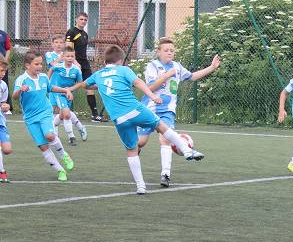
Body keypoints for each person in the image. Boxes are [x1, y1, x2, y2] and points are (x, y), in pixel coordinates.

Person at [69, 45, 203, 195]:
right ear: (120, 60)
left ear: (106, 61)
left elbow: (84, 85)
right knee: (161, 126)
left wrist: (70, 89)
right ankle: (187, 150)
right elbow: (138, 83)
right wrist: (152, 96)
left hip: (119, 119)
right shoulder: (124, 70)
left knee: (132, 150)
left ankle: (140, 186)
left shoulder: (98, 75)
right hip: (135, 110)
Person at [137, 37, 220, 187]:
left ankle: (165, 175)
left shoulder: (177, 66)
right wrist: (166, 75)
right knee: (141, 142)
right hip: (150, 108)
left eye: (172, 50)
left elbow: (193, 76)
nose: (169, 52)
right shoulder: (152, 66)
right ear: (158, 52)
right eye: (166, 50)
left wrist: (212, 67)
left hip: (167, 110)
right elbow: (150, 88)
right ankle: (134, 153)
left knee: (165, 139)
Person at [11, 51, 75, 182]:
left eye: (41, 64)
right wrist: (20, 90)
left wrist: (65, 90)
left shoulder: (44, 77)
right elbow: (14, 97)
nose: (40, 66)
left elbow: (51, 88)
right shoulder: (22, 80)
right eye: (36, 64)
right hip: (30, 118)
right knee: (43, 146)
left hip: (45, 112)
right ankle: (60, 170)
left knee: (50, 136)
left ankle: (64, 156)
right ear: (27, 65)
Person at [66, 12, 105, 122]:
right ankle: (63, 111)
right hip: (73, 64)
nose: (83, 21)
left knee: (90, 86)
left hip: (85, 64)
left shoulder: (85, 34)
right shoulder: (71, 32)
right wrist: (75, 62)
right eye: (81, 19)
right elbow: (68, 49)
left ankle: (94, 115)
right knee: (69, 86)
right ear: (76, 20)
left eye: (85, 20)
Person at [49, 46, 88, 146]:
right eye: (68, 56)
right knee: (66, 114)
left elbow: (80, 83)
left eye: (72, 56)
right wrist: (48, 82)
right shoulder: (58, 66)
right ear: (63, 57)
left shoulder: (76, 70)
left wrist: (69, 90)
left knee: (63, 114)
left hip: (69, 94)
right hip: (58, 93)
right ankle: (71, 137)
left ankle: (80, 127)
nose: (70, 58)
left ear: (74, 57)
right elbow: (51, 69)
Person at [0, 56, 12, 182]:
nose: (3, 73)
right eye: (1, 70)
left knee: (7, 150)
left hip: (1, 122)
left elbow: (3, 103)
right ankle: (2, 171)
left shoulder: (3, 85)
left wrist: (5, 106)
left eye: (5, 71)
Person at [0, 28, 13, 115]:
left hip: (2, 63)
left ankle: (5, 106)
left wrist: (5, 61)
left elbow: (8, 48)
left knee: (4, 84)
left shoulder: (3, 34)